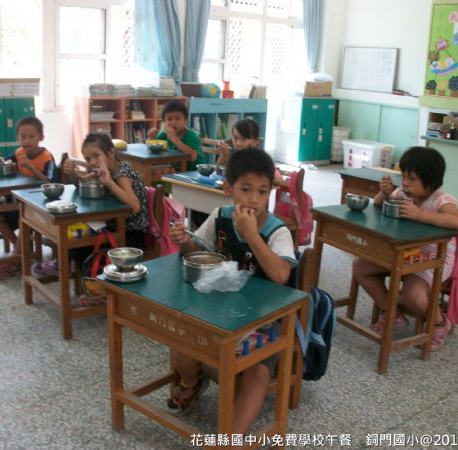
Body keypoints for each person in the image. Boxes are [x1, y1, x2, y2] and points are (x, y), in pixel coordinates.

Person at [168, 149, 296, 434]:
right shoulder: (221, 216)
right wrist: (184, 241)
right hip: (217, 312)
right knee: (180, 341)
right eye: (246, 189)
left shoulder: (277, 231)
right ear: (229, 189)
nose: (254, 199)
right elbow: (197, 251)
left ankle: (230, 439)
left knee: (257, 373)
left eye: (262, 191)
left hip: (264, 320)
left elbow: (280, 275)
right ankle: (192, 382)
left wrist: (251, 233)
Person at [352, 146, 458, 350]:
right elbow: (377, 205)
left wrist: (420, 215)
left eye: (412, 178)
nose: (405, 182)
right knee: (360, 267)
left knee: (412, 295)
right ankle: (392, 313)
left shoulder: (440, 199)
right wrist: (384, 192)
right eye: (403, 176)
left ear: (431, 181)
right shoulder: (404, 193)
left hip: (435, 257)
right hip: (405, 252)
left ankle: (440, 323)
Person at [33, 134, 149, 304]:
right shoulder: (104, 169)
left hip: (131, 233)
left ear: (111, 153)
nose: (92, 162)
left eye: (96, 155)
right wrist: (72, 173)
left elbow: (135, 206)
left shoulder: (122, 173)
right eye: (88, 158)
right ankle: (91, 281)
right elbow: (81, 183)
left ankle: (101, 290)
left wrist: (108, 182)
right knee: (73, 236)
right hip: (112, 225)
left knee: (79, 243)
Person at [0, 116, 59, 277]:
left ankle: (16, 258)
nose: (27, 141)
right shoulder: (19, 153)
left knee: (24, 217)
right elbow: (7, 164)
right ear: (17, 138)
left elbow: (51, 182)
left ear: (41, 137)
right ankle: (23, 249)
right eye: (23, 137)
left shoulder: (47, 157)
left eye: (31, 137)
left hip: (38, 206)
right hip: (18, 202)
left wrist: (32, 168)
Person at [147, 100, 205, 171]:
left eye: (178, 118)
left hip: (195, 172)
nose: (173, 122)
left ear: (185, 120)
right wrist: (151, 138)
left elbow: (193, 156)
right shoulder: (165, 133)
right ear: (164, 121)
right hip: (176, 171)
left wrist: (175, 139)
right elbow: (152, 149)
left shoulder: (191, 135)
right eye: (169, 119)